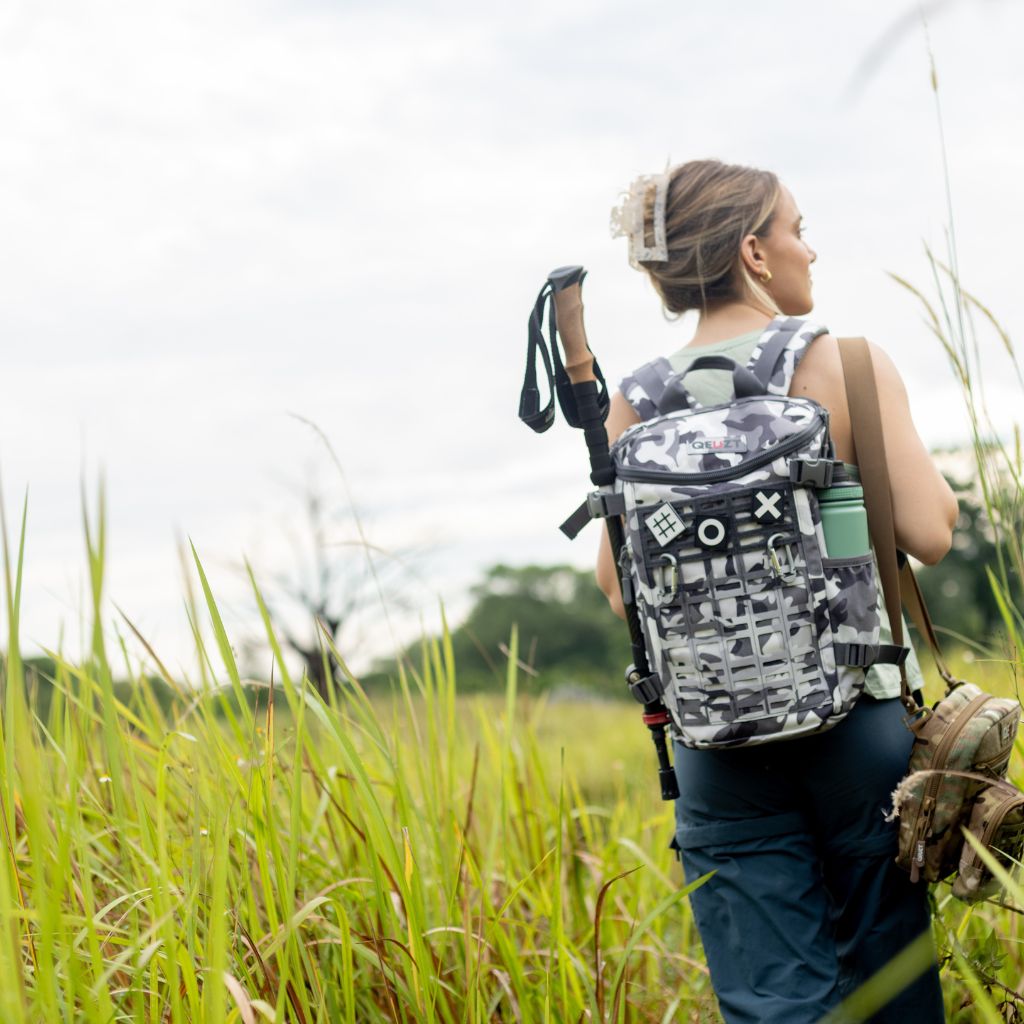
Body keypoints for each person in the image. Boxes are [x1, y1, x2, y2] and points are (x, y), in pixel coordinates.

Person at [596, 159, 958, 1023]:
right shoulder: (848, 364)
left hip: (717, 750)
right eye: (797, 229)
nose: (810, 249)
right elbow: (932, 534)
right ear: (754, 252)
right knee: (892, 993)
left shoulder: (636, 400)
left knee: (772, 1004)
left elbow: (619, 593)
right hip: (857, 727)